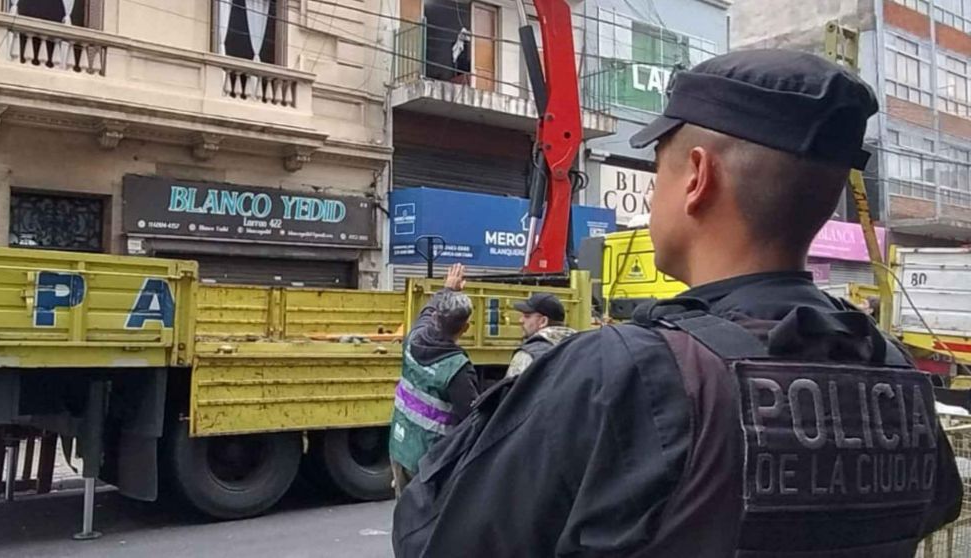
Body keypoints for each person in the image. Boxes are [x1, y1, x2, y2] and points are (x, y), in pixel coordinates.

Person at [393, 50, 963, 557]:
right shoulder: (892, 372)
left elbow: (433, 536)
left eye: (656, 169)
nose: (648, 194)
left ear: (696, 176)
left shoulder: (618, 375)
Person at [388, 263, 479, 498]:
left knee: (405, 519)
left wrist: (447, 289)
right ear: (466, 328)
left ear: (436, 318)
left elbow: (427, 312)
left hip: (400, 446)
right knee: (427, 526)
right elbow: (473, 419)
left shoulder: (414, 338)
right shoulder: (456, 368)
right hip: (430, 462)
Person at [506, 293, 576, 377]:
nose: (521, 320)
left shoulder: (527, 355)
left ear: (543, 321)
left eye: (527, 316)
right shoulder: (582, 348)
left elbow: (513, 388)